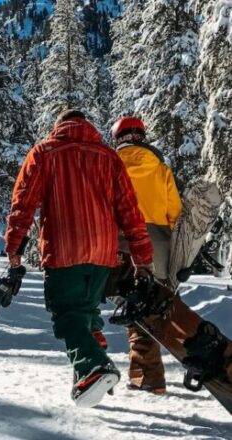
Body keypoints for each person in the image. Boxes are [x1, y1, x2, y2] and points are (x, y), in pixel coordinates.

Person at [4, 110, 155, 407]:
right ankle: (89, 369)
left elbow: (24, 203)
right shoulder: (109, 157)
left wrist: (14, 248)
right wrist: (142, 257)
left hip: (64, 249)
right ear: (87, 127)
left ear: (58, 126)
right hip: (102, 253)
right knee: (84, 310)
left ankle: (93, 368)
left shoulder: (45, 152)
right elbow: (130, 211)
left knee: (67, 315)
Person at [110, 116, 182, 395]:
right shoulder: (161, 169)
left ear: (118, 138)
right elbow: (174, 213)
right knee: (153, 306)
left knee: (135, 307)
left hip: (124, 242)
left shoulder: (111, 166)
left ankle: (150, 377)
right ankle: (145, 373)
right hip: (159, 245)